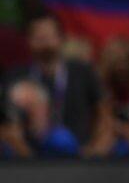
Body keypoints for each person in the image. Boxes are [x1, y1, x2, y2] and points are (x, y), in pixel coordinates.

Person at [4, 12, 108, 155]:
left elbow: (104, 115)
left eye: (49, 36)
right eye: (38, 37)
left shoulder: (83, 72)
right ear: (28, 40)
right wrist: (28, 159)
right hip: (30, 157)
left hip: (80, 155)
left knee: (61, 140)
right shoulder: (15, 76)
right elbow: (8, 126)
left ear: (61, 38)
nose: (44, 42)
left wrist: (94, 150)